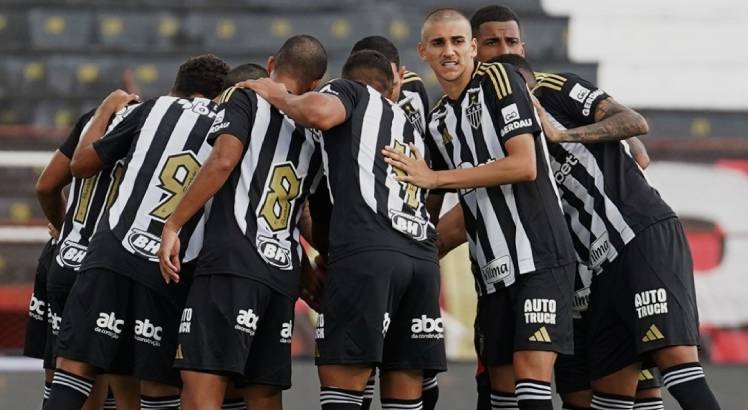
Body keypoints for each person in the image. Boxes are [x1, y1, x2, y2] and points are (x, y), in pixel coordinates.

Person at [493, 50, 720, 410]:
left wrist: (565, 135)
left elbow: (634, 127)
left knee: (679, 367)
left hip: (638, 236)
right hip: (598, 269)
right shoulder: (503, 139)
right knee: (609, 393)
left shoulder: (554, 91)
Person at [467, 6, 669, 409]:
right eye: (492, 42)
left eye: (511, 40)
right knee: (578, 392)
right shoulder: (470, 113)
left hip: (607, 256)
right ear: (475, 50)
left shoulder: (547, 88)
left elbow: (636, 145)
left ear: (523, 46)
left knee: (640, 387)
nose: (504, 49)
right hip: (555, 272)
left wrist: (563, 136)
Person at [381, 9, 577, 410]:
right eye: (438, 44)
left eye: (457, 42)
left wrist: (435, 178)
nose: (449, 52)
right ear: (423, 52)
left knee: (531, 381)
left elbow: (524, 165)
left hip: (539, 259)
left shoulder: (498, 80)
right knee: (500, 392)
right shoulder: (437, 121)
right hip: (490, 272)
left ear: (473, 47)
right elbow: (428, 210)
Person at [242, 49, 447, 410]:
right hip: (422, 263)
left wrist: (278, 94)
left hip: (369, 255)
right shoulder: (408, 126)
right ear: (393, 87)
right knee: (404, 393)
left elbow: (320, 112)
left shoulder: (351, 92)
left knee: (344, 394)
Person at [46, 54, 230, 410]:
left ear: (176, 86)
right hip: (170, 265)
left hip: (111, 251)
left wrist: (104, 110)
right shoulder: (232, 125)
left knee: (75, 371)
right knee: (156, 388)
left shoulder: (152, 109)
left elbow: (81, 165)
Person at [158, 35, 327, 410]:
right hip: (281, 276)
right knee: (263, 391)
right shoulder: (315, 132)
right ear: (314, 85)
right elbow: (301, 214)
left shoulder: (246, 96)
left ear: (271, 65)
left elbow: (222, 159)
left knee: (203, 379)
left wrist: (173, 225)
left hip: (232, 264)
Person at [349, 35, 440, 410]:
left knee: (357, 369)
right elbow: (436, 167)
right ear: (398, 73)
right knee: (414, 367)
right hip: (418, 247)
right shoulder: (417, 93)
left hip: (367, 249)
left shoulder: (346, 97)